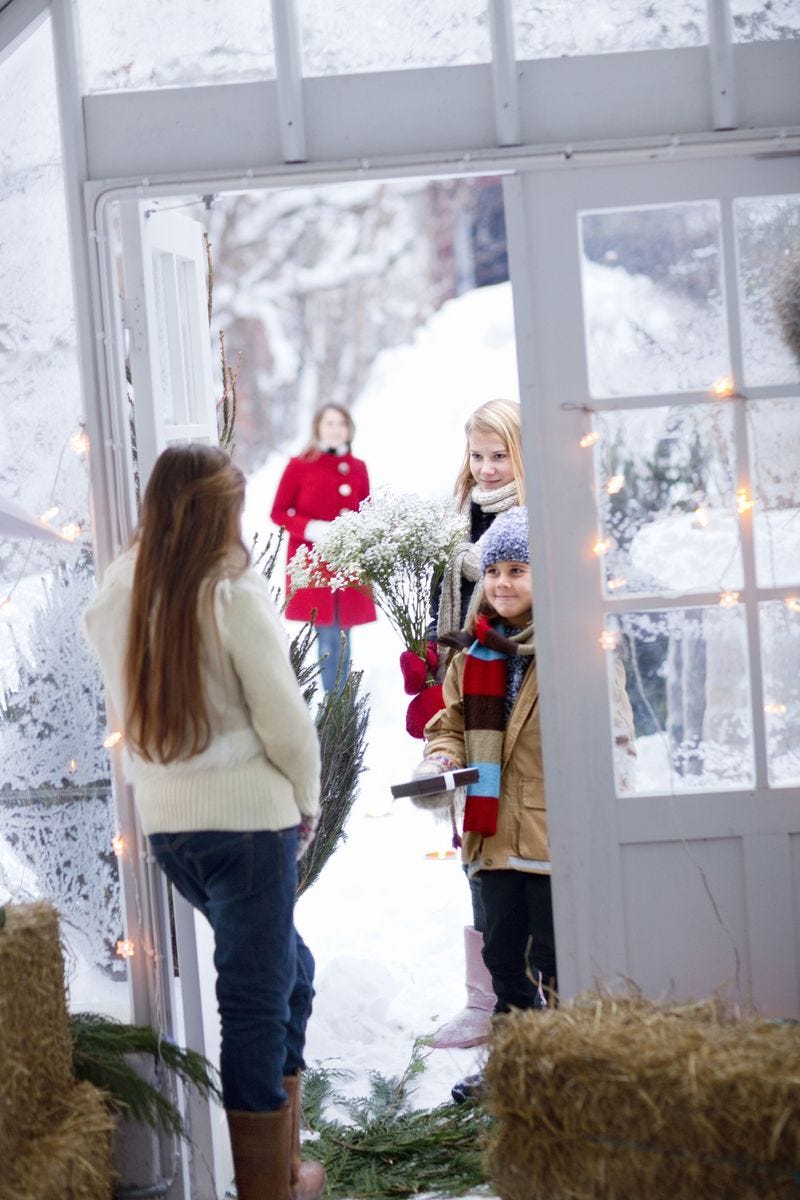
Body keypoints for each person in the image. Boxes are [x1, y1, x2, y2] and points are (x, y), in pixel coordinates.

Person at [84, 444, 325, 1200]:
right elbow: (284, 720)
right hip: (250, 824)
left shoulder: (116, 596)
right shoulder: (230, 592)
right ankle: (267, 1189)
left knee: (292, 975)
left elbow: (131, 718)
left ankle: (282, 1169)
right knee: (255, 999)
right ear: (222, 511)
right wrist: (307, 798)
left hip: (171, 828)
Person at [414, 506, 635, 1102]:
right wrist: (439, 759)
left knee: (557, 957)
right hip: (492, 837)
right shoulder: (472, 656)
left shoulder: (573, 652)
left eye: (518, 569)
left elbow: (613, 734)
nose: (503, 583)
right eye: (494, 572)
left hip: (552, 835)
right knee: (502, 955)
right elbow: (449, 724)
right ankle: (515, 1065)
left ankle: (565, 1065)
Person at [401, 399, 526, 1052]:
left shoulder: (528, 525)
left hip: (512, 708)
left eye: (498, 455)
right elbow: (438, 610)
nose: (485, 467)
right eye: (476, 455)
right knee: (475, 850)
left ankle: (518, 997)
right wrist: (426, 659)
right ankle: (485, 1000)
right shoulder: (460, 527)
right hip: (463, 701)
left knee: (514, 855)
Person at [271, 404, 377, 692]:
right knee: (327, 632)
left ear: (349, 429)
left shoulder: (358, 468)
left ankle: (341, 705)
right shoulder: (299, 465)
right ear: (318, 427)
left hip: (348, 563)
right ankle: (334, 703)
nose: (335, 429)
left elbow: (367, 511)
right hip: (314, 563)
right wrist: (310, 528)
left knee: (344, 634)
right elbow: (279, 512)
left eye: (341, 423)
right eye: (329, 423)